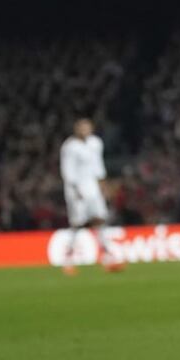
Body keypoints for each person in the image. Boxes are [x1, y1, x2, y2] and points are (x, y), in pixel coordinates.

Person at [59, 117, 124, 274]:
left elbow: (98, 166)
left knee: (100, 220)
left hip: (93, 188)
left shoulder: (95, 143)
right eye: (82, 127)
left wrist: (103, 186)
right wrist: (75, 190)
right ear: (76, 129)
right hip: (77, 190)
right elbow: (67, 170)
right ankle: (68, 260)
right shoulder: (70, 146)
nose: (85, 130)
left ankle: (108, 258)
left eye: (87, 127)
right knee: (77, 223)